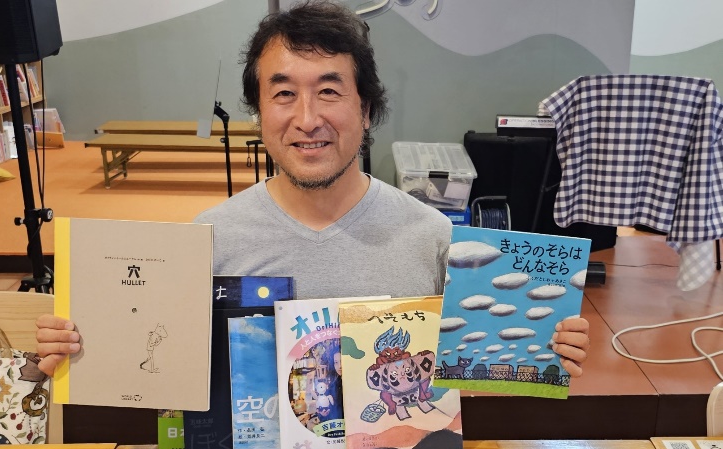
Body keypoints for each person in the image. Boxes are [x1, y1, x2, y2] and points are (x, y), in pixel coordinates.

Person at [36, 0, 589, 378]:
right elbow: (156, 368)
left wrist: (544, 349)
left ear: (366, 110)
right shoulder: (209, 239)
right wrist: (78, 350)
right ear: (259, 114)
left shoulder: (434, 236)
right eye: (283, 94)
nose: (306, 119)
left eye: (329, 91)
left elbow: (468, 377)